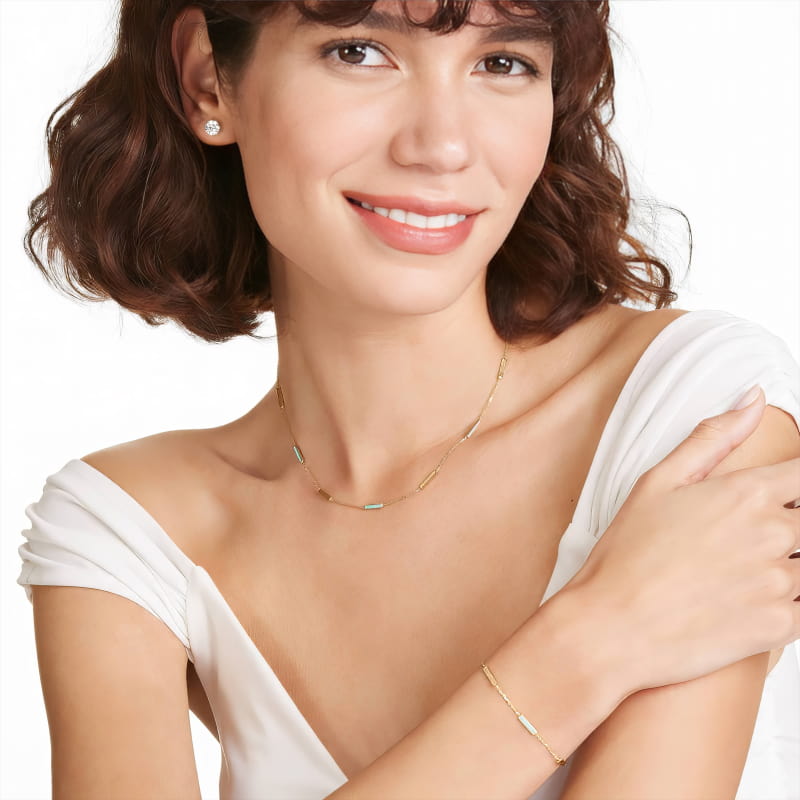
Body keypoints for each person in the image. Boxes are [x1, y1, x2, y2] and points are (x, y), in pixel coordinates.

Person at [16, 1, 800, 798]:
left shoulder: (696, 409)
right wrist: (591, 640)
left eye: (503, 62)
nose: (443, 145)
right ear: (208, 79)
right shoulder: (126, 531)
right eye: (359, 52)